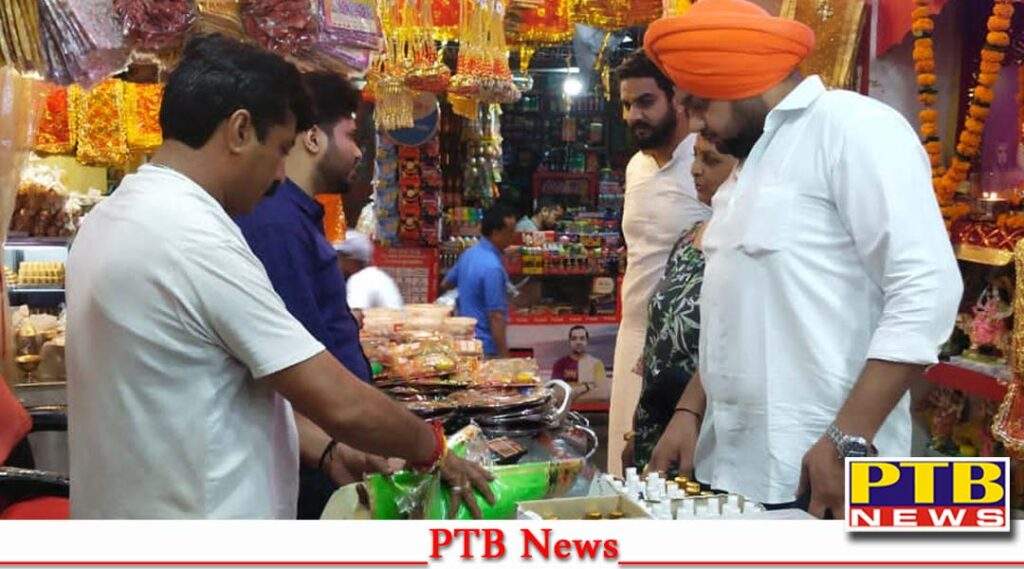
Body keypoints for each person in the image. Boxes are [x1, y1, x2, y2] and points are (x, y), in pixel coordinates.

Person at [66, 34, 493, 519]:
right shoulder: (194, 236)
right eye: (280, 150)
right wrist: (433, 449)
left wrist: (328, 450)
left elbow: (218, 385)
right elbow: (338, 401)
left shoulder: (111, 216)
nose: (277, 178)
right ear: (240, 130)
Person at [643, 0, 961, 517]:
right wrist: (690, 412)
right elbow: (735, 316)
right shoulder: (746, 169)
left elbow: (926, 289)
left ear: (740, 80)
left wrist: (846, 439)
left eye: (700, 105)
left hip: (829, 477)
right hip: (731, 470)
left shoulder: (853, 130)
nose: (697, 127)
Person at [232, 70, 377, 519]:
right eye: (351, 135)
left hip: (328, 443)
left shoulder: (296, 218)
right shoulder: (277, 223)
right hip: (316, 454)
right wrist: (417, 442)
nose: (358, 151)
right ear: (312, 138)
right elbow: (293, 366)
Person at [607, 50, 711, 476]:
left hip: (681, 351)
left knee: (670, 478)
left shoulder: (706, 163)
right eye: (628, 104)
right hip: (632, 335)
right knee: (623, 470)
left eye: (646, 102)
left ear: (677, 100)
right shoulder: (635, 167)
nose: (634, 115)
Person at [626, 135, 737, 474]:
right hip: (658, 420)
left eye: (711, 160)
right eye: (695, 157)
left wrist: (691, 410)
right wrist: (637, 428)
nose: (695, 169)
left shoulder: (744, 247)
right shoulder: (689, 239)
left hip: (708, 427)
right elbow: (658, 337)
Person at [443, 204, 518, 358]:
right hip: (485, 347)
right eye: (510, 232)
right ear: (496, 233)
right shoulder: (493, 267)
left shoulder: (469, 254)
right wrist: (504, 355)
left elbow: (446, 283)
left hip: (464, 342)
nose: (513, 237)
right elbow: (496, 317)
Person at [335, 230, 404, 311]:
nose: (337, 263)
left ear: (351, 259)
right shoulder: (378, 276)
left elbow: (355, 318)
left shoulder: (361, 280)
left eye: (339, 257)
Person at [551, 325, 608, 402]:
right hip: (566, 411)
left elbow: (603, 395)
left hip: (591, 411)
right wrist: (586, 387)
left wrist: (570, 395)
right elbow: (556, 395)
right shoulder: (560, 364)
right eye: (574, 339)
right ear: (569, 341)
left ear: (587, 341)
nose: (578, 342)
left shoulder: (596, 364)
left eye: (582, 338)